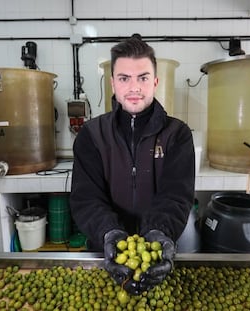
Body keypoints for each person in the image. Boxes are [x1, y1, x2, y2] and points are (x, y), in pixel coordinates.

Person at [70, 35, 195, 295]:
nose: (134, 87)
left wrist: (159, 233)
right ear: (113, 83)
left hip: (157, 255)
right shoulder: (92, 135)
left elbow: (176, 196)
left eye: (143, 78)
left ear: (155, 82)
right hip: (104, 253)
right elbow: (86, 198)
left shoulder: (178, 134)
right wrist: (109, 233)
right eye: (124, 78)